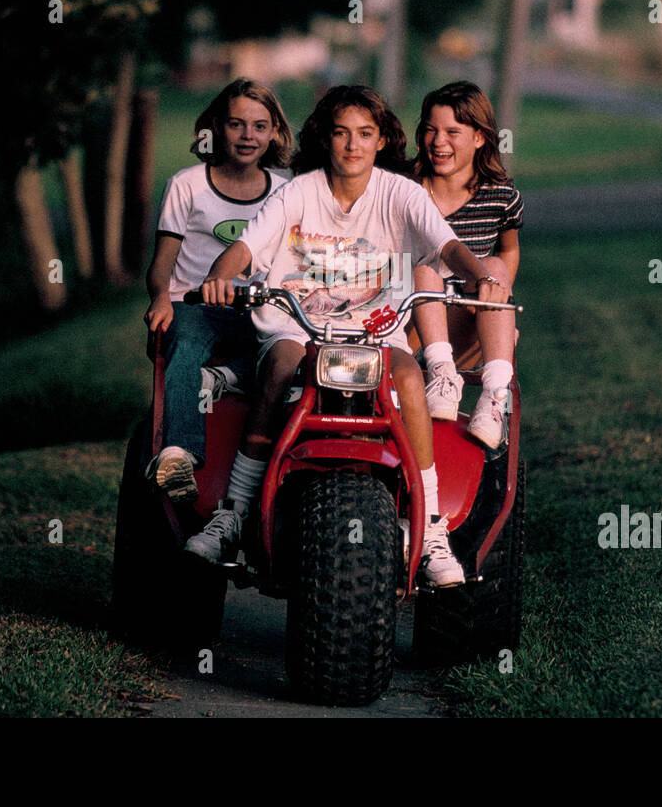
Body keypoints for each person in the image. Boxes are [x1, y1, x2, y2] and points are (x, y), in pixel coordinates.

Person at [188, 85, 508, 588]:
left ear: (382, 140)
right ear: (325, 138)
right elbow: (246, 248)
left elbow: (446, 244)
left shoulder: (401, 193)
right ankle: (234, 511)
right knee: (276, 367)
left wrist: (477, 275)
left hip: (375, 331)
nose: (352, 145)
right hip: (298, 323)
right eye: (341, 134)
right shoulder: (298, 191)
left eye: (364, 134)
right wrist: (220, 275)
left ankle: (429, 529)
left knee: (408, 381)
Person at [144, 79, 293, 502]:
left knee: (297, 351)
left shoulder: (285, 189)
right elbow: (162, 264)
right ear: (216, 127)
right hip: (195, 305)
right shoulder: (187, 184)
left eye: (260, 126)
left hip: (259, 309)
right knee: (186, 339)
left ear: (275, 133)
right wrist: (160, 297)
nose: (248, 136)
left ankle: (223, 378)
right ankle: (178, 454)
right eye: (236, 125)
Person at [410, 81, 524, 449]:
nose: (438, 141)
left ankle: (495, 393)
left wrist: (499, 288)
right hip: (409, 325)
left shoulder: (500, 197)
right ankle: (441, 373)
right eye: (430, 129)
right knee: (424, 267)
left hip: (465, 326)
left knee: (493, 265)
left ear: (479, 138)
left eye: (452, 132)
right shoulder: (404, 188)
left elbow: (508, 252)